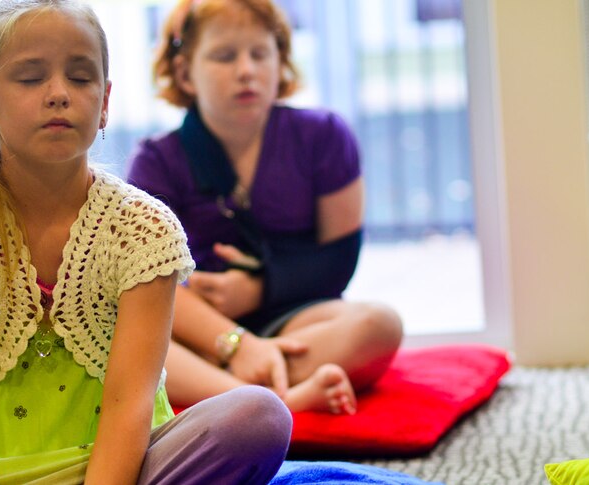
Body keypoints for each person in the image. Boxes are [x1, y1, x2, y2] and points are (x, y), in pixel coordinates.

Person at [0, 1, 291, 483]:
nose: (58, 94)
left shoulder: (144, 230)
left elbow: (128, 404)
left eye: (80, 77)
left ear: (106, 102)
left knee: (259, 417)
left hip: (122, 466)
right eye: (31, 79)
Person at [126, 0, 404, 416]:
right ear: (185, 73)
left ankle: (238, 394)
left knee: (380, 325)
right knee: (121, 341)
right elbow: (142, 282)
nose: (246, 71)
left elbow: (338, 260)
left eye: (260, 54)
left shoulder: (324, 135)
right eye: (224, 56)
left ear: (281, 62)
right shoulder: (156, 160)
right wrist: (235, 342)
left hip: (296, 318)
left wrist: (255, 290)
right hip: (197, 334)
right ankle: (280, 398)